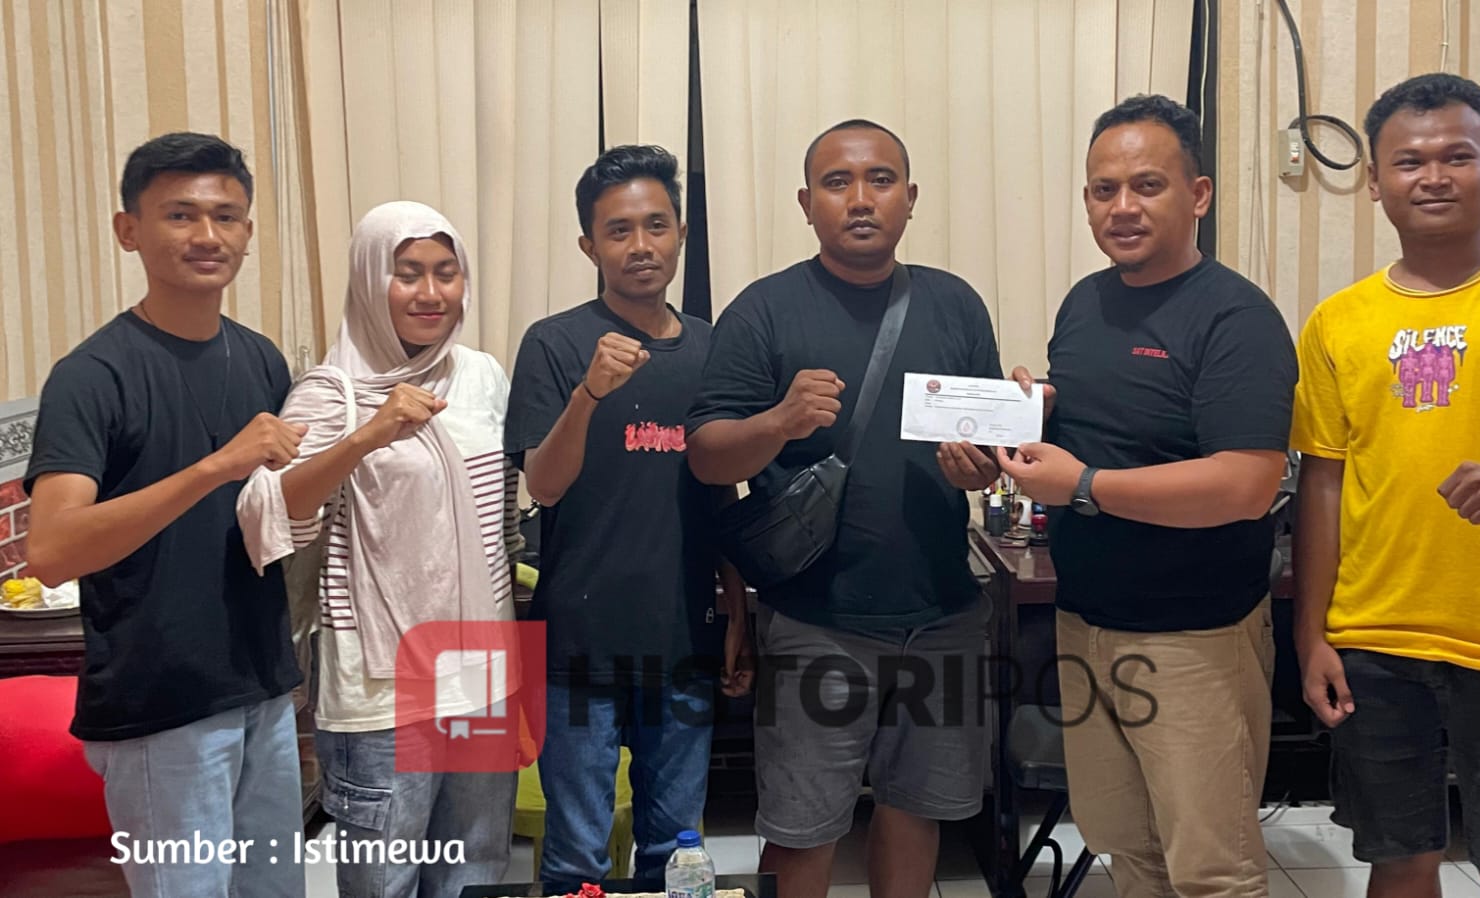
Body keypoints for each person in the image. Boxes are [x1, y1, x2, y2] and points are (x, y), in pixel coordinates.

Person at [1292, 73, 1480, 898]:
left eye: (1457, 156)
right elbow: (1322, 487)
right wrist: (1312, 636)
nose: (1433, 176)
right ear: (1375, 181)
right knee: (1397, 859)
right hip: (1377, 641)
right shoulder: (1337, 323)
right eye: (1409, 161)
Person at [686, 119, 1001, 898]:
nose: (861, 198)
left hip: (943, 613)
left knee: (917, 810)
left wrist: (984, 465)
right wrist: (778, 423)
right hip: (816, 618)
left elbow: (987, 450)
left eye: (880, 180)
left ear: (910, 197)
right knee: (802, 828)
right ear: (806, 203)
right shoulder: (764, 310)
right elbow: (707, 455)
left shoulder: (956, 304)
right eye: (837, 182)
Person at [998, 94, 1297, 898]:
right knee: (1126, 849)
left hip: (1194, 638)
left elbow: (1246, 483)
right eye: (1104, 189)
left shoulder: (1237, 317)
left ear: (1198, 194)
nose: (1122, 207)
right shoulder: (1085, 302)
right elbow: (1114, 416)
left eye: (1146, 185)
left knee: (1212, 871)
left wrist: (1082, 486)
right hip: (1085, 624)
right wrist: (1042, 407)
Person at [24, 132, 306, 898]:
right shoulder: (92, 376)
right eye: (180, 215)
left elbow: (274, 512)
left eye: (226, 216)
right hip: (160, 700)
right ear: (130, 230)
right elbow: (51, 549)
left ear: (247, 232)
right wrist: (216, 466)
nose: (207, 235)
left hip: (262, 682)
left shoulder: (261, 358)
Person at [236, 201, 519, 898]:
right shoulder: (331, 393)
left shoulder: (482, 376)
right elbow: (268, 513)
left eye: (446, 272)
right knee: (384, 882)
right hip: (381, 687)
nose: (431, 292)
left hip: (481, 670)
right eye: (408, 273)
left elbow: (505, 515)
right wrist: (368, 434)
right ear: (369, 280)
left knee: (475, 873)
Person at [503, 144, 752, 893]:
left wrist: (737, 613)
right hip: (579, 647)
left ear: (681, 234)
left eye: (656, 226)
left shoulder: (713, 347)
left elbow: (721, 492)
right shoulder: (555, 343)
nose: (640, 246)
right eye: (618, 231)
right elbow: (544, 486)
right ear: (590, 246)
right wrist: (590, 393)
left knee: (676, 855)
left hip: (683, 641)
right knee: (576, 856)